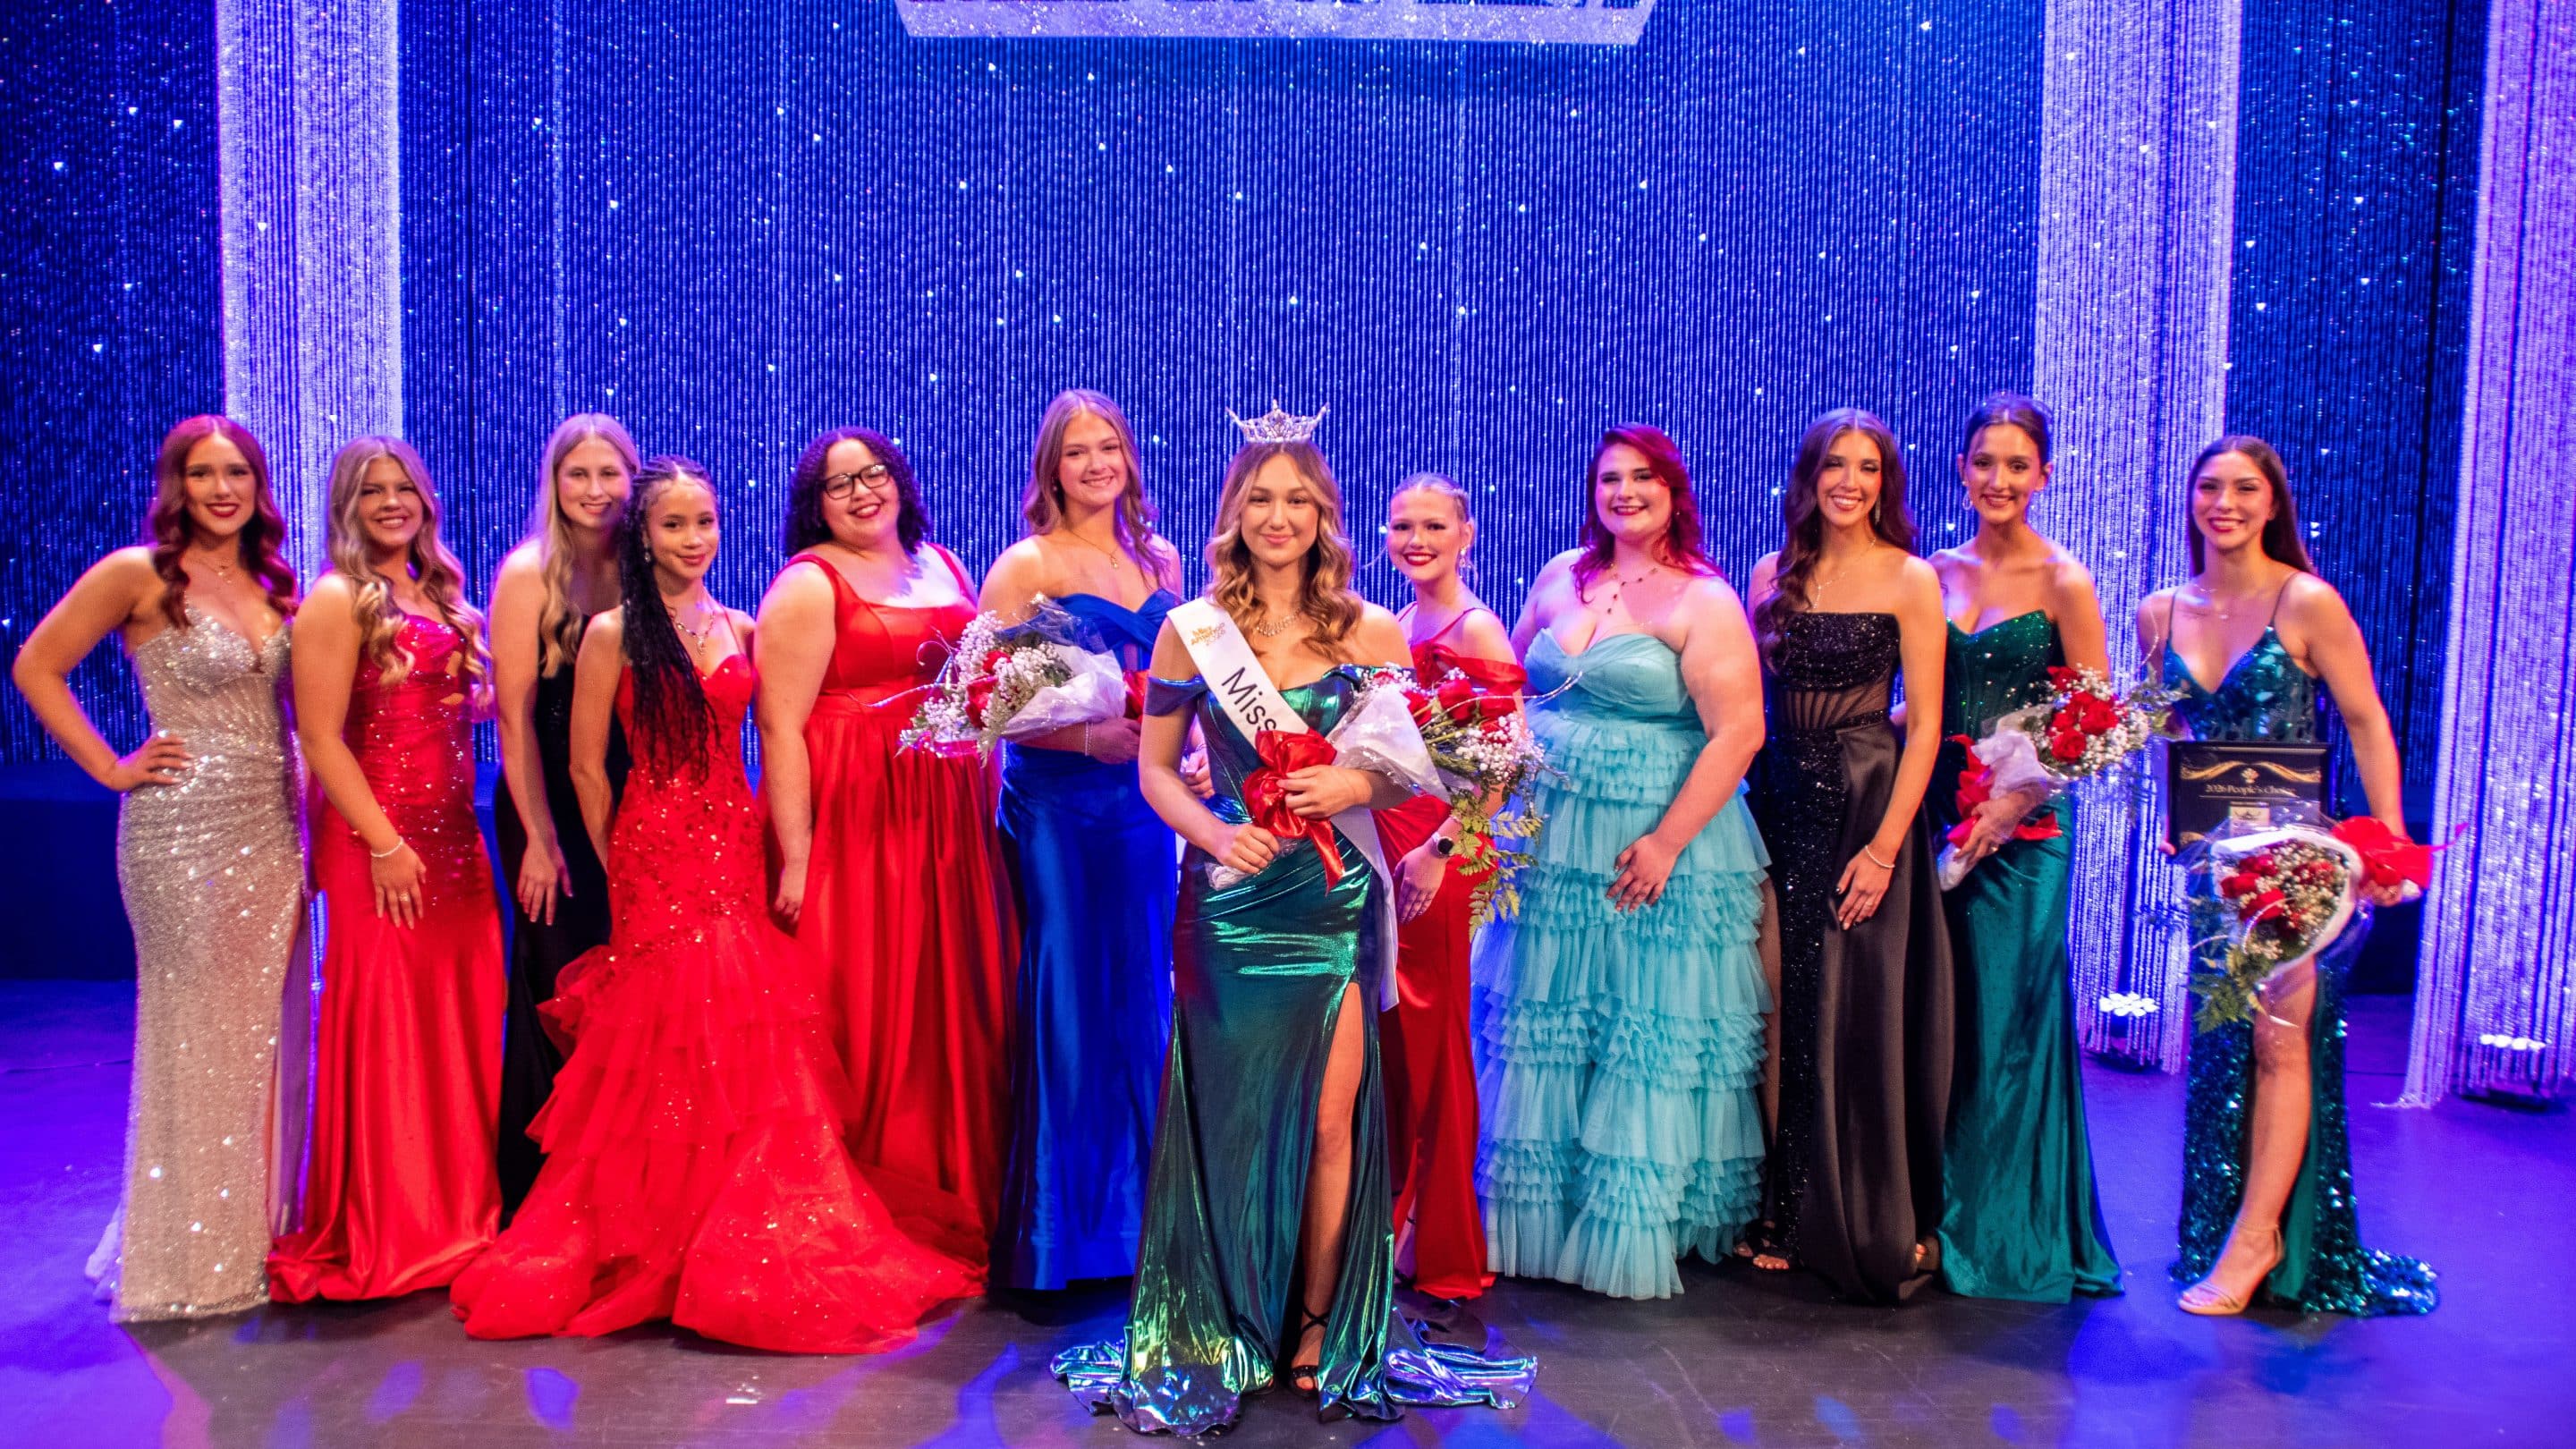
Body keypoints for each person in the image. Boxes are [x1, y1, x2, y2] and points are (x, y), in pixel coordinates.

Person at [1054, 420, 1533, 1433]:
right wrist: (1210, 837)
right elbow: (1153, 770)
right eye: (1259, 500)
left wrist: (1356, 777)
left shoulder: (1373, 632)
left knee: (1328, 1123)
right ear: (1234, 516)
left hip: (1329, 899)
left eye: (1297, 500)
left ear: (1324, 518)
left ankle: (1318, 1317)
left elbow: (1413, 765)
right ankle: (1223, 1311)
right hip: (1229, 897)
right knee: (1230, 1118)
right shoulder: (1193, 629)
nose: (1278, 518)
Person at [453, 458, 975, 1352]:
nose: (694, 541)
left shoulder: (740, 623)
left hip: (734, 836)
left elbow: (777, 729)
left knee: (746, 1028)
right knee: (664, 1025)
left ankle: (734, 1219)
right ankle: (657, 1229)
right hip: (654, 846)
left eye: (705, 523)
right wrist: (629, 845)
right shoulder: (613, 631)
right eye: (674, 527)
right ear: (642, 538)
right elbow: (584, 763)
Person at [12, 416, 307, 1320]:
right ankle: (186, 1253)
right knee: (193, 1038)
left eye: (238, 474)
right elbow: (37, 666)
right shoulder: (137, 575)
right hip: (179, 835)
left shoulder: (273, 585)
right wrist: (109, 768)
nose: (222, 490)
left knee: (271, 1039)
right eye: (202, 474)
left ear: (259, 486)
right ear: (175, 486)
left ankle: (260, 1231)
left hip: (274, 830)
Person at [1473, 428, 1772, 1301]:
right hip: (1552, 831)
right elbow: (1504, 677)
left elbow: (1741, 731)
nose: (1625, 492)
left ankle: (1631, 1219)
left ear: (1675, 490)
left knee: (1641, 1020)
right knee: (1552, 1009)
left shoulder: (1705, 599)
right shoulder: (1563, 573)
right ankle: (1538, 1215)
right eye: (1610, 478)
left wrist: (1670, 839)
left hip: (1650, 826)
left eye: (1643, 477)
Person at [2140, 435, 2436, 1317]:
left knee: (2277, 1039)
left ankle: (2257, 1241)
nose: (2224, 503)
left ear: (2273, 503)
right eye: (2209, 487)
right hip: (2212, 868)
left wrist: (2385, 845)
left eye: (2243, 488)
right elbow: (2168, 729)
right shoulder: (2160, 612)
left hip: (2298, 864)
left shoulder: (2306, 601)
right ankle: (2236, 1225)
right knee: (2227, 1047)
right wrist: (2172, 819)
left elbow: (2367, 721)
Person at [755, 428, 1016, 1270]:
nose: (862, 492)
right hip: (858, 816)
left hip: (947, 816)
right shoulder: (806, 584)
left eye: (872, 474)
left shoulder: (941, 562)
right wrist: (796, 855)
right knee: (865, 999)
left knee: (950, 996)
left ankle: (957, 1185)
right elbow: (781, 728)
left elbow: (978, 691)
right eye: (839, 485)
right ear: (815, 505)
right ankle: (873, 1194)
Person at [270, 436, 506, 1302]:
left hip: (450, 835)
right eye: (372, 492)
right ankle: (394, 1224)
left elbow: (445, 707)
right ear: (347, 506)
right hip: (382, 842)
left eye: (403, 487)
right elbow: (321, 738)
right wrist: (382, 843)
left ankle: (458, 1217)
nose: (391, 503)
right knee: (393, 1030)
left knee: (460, 1021)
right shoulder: (338, 598)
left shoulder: (436, 592)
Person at [1743, 408, 1954, 1303]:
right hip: (1778, 798)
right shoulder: (1769, 574)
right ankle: (1785, 1204)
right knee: (1778, 1005)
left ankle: (1856, 1209)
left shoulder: (1911, 579)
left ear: (1886, 482)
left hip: (1866, 805)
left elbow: (1931, 726)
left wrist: (1883, 849)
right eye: (1836, 464)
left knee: (1848, 1009)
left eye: (1868, 468)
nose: (1850, 482)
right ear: (1809, 474)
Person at [979, 390, 1183, 1291]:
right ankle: (1061, 1237)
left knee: (1142, 989)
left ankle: (1144, 1224)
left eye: (1110, 446)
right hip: (1059, 805)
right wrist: (1080, 737)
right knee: (1067, 993)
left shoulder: (1160, 558)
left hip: (1141, 806)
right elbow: (983, 707)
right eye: (1077, 451)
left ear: (1129, 459)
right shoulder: (1024, 564)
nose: (1097, 463)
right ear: (1050, 468)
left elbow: (1177, 685)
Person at [1924, 394, 2122, 1302]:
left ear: (2044, 474)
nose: (1998, 480)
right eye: (1982, 462)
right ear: (1963, 470)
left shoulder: (2065, 581)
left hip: (2029, 831)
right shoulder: (1937, 573)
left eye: (2016, 464)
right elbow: (1920, 703)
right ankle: (1942, 1209)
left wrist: (2013, 798)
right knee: (1947, 1020)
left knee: (2008, 1021)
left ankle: (1999, 1233)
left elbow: (2095, 724)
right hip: (1943, 819)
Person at [487, 413, 637, 1218]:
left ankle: (626, 1182)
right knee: (558, 985)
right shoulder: (526, 575)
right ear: (554, 484)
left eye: (609, 474)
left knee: (631, 989)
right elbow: (513, 721)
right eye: (577, 474)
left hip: (626, 799)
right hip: (546, 805)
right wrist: (539, 842)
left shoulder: (646, 566)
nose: (594, 490)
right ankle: (552, 1192)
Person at [1377, 474, 1515, 1305]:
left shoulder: (1481, 627)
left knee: (1430, 1028)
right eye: (1402, 525)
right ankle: (1394, 1214)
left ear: (1467, 534)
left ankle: (1433, 1232)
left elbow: (1501, 769)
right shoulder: (1391, 625)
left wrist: (1439, 847)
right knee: (1394, 1030)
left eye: (1434, 525)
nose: (1416, 539)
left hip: (1442, 850)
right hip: (1391, 839)